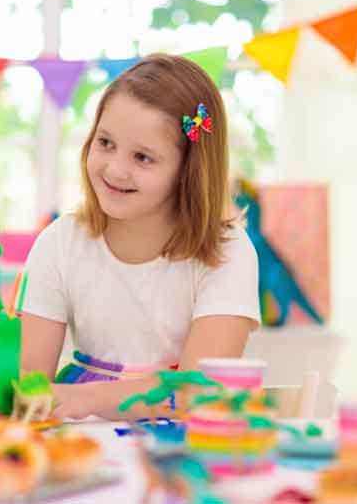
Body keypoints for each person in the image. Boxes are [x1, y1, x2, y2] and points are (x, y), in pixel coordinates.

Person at [20, 53, 260, 420]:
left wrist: (86, 399)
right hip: (79, 441)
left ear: (188, 171)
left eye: (143, 158)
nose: (115, 169)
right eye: (105, 143)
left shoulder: (227, 252)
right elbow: (27, 382)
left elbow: (198, 392)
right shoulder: (60, 243)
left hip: (184, 442)